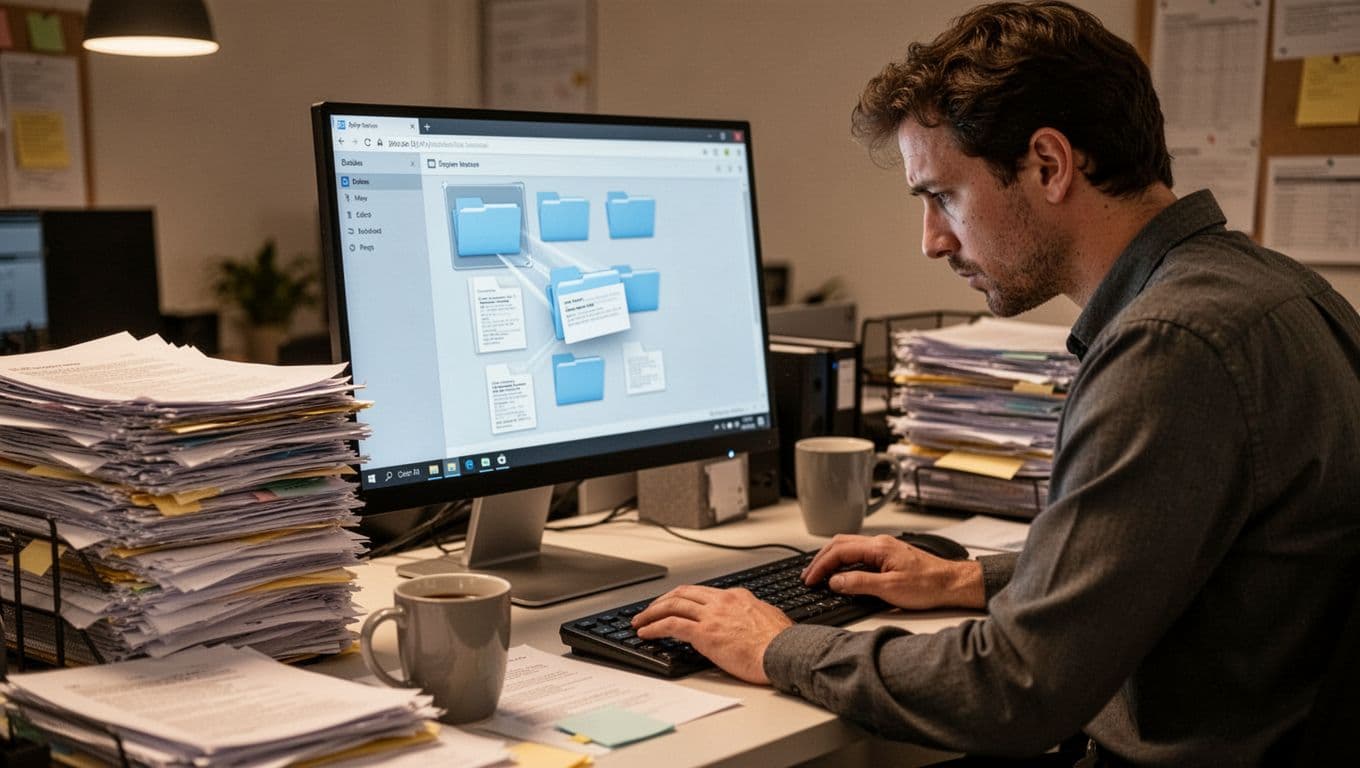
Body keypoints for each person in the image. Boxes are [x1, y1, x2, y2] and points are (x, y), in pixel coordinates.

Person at [631, 2, 1360, 765]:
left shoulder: (1170, 346)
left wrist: (778, 646)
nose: (932, 240)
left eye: (942, 196)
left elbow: (1016, 689)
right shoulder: (1280, 291)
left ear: (1048, 165)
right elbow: (1170, 554)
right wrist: (967, 578)